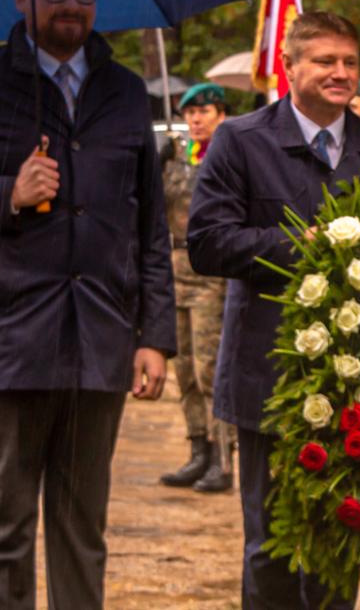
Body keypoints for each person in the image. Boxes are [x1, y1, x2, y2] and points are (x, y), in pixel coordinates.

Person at [0, 0, 174, 610]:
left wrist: (154, 336)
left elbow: (150, 224)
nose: (71, 6)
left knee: (83, 529)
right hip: (11, 337)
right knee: (4, 523)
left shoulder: (127, 92)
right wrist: (9, 194)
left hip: (101, 339)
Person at [188, 11, 360, 609]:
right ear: (289, 67)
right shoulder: (242, 140)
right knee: (274, 547)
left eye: (350, 63)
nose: (341, 74)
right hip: (270, 378)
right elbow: (205, 243)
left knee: (345, 538)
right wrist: (298, 245)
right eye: (326, 61)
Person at [158, 82, 232, 493]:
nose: (196, 119)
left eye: (205, 112)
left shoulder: (225, 156)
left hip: (210, 274)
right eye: (190, 114)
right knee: (184, 368)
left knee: (209, 369)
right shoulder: (176, 157)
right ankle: (197, 449)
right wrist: (158, 164)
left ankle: (222, 458)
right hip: (175, 268)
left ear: (221, 115)